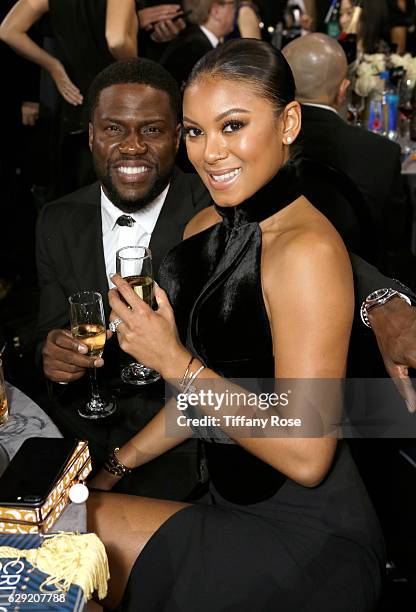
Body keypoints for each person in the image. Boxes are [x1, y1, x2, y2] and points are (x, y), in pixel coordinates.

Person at [87, 39, 384, 611]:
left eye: (233, 126)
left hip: (309, 539)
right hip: (230, 507)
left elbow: (307, 453)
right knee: (56, 546)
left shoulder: (307, 252)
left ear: (289, 122)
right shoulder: (204, 224)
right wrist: (112, 466)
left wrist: (173, 360)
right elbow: (210, 400)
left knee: (62, 549)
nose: (210, 153)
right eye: (195, 132)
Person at [36, 58, 211, 498]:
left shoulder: (213, 212)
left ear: (176, 138)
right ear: (92, 136)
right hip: (77, 440)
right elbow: (47, 329)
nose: (132, 147)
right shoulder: (56, 221)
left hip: (185, 451)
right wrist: (53, 356)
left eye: (151, 130)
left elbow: (301, 241)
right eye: (114, 129)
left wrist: (384, 301)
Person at [282, 33, 414, 286]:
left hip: (275, 282)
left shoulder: (264, 143)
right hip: (360, 288)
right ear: (343, 91)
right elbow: (395, 248)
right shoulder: (380, 152)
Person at [0, 0, 139, 196]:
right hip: (115, 104)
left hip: (73, 106)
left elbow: (8, 30)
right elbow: (116, 39)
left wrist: (53, 67)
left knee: (77, 195)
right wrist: (138, 71)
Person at [159, 0, 236, 89]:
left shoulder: (195, 41)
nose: (235, 12)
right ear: (216, 11)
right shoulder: (195, 49)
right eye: (233, 5)